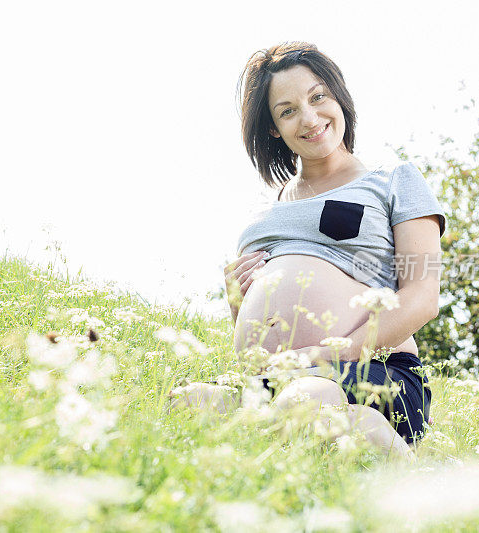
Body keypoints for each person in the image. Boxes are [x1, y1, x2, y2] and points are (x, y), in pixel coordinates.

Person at [169, 41, 446, 460]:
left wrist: (330, 352)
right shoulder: (263, 212)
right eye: (288, 110)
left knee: (305, 396)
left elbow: (423, 297)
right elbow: (256, 334)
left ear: (339, 97)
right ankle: (303, 418)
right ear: (272, 129)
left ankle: (393, 456)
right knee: (185, 402)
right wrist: (237, 301)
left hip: (374, 371)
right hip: (280, 377)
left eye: (318, 97)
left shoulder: (394, 180)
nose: (310, 118)